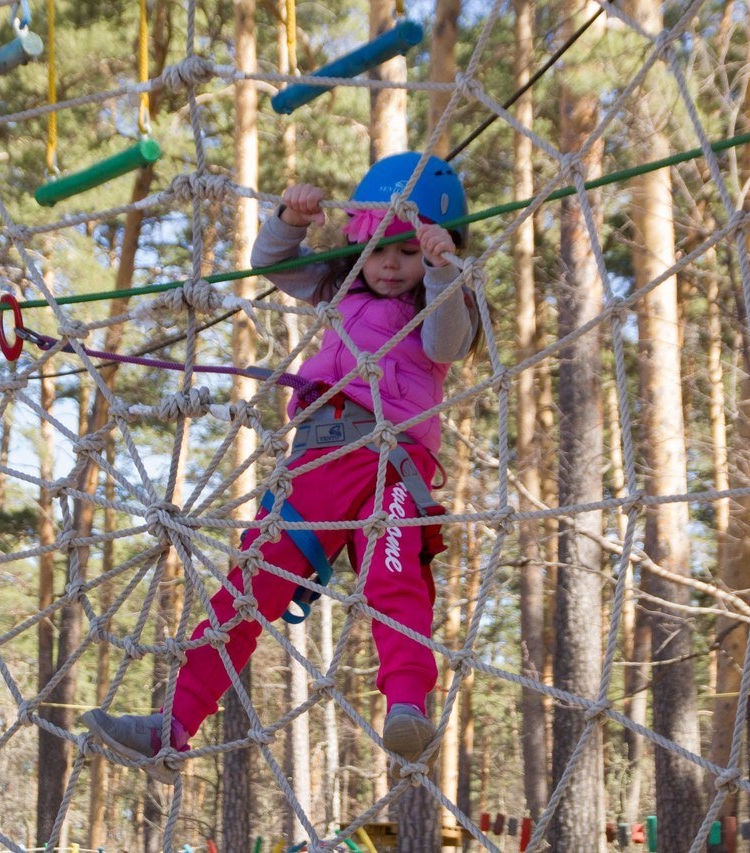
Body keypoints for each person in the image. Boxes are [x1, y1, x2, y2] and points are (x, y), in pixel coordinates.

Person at [84, 152, 479, 783]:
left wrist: (443, 272)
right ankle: (174, 725)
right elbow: (269, 265)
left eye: (409, 252)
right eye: (379, 248)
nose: (391, 264)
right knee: (249, 587)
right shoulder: (337, 288)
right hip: (317, 464)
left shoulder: (439, 305)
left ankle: (407, 703)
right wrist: (290, 219)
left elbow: (446, 344)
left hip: (390, 466)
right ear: (357, 240)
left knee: (394, 580)